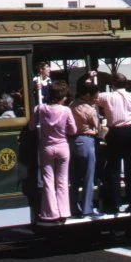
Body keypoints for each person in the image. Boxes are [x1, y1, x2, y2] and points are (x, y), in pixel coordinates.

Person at [95, 72, 131, 215]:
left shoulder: (107, 96)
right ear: (126, 84)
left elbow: (93, 96)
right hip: (130, 131)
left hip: (115, 133)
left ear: (112, 85)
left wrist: (91, 79)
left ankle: (115, 204)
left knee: (114, 169)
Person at [27, 80, 77, 223]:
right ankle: (64, 211)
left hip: (46, 147)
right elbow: (72, 130)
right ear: (62, 96)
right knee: (62, 180)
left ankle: (51, 213)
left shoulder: (40, 108)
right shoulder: (66, 110)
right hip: (62, 147)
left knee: (48, 180)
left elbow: (31, 126)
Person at [68, 79, 103, 219]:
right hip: (87, 140)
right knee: (89, 177)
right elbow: (98, 127)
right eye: (95, 97)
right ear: (88, 95)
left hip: (73, 142)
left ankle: (72, 207)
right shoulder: (89, 110)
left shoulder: (71, 105)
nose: (96, 99)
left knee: (74, 178)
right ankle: (87, 208)